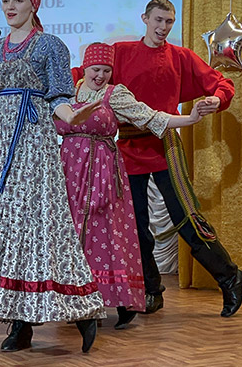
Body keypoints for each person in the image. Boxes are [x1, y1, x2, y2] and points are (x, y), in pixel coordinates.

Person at [0, 0, 106, 354]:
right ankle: (20, 322)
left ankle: (82, 311)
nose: (10, 7)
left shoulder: (50, 45)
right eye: (5, 0)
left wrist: (75, 116)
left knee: (39, 226)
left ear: (33, 4)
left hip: (33, 142)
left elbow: (59, 100)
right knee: (9, 227)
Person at [55, 42, 205, 330]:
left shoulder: (115, 94)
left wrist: (190, 119)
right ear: (84, 68)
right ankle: (78, 298)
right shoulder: (68, 93)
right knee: (72, 234)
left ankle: (119, 300)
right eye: (95, 69)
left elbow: (149, 116)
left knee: (103, 234)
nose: (100, 76)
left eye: (106, 70)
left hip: (101, 171)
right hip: (69, 172)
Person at [112, 0, 242, 317]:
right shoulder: (121, 52)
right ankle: (150, 290)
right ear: (145, 18)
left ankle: (230, 276)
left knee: (186, 218)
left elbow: (222, 84)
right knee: (135, 225)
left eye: (169, 21)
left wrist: (217, 100)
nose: (163, 27)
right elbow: (84, 73)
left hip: (166, 145)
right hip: (128, 146)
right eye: (158, 20)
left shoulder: (181, 56)